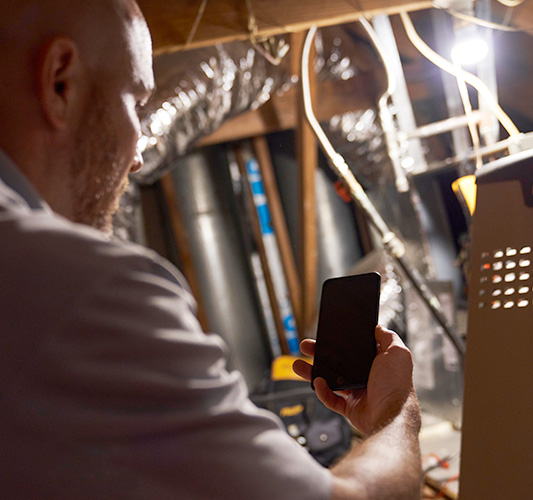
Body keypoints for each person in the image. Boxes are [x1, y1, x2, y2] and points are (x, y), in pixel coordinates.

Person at [0, 1, 423, 498]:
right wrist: (398, 412)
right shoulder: (72, 287)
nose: (137, 155)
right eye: (135, 104)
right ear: (60, 82)